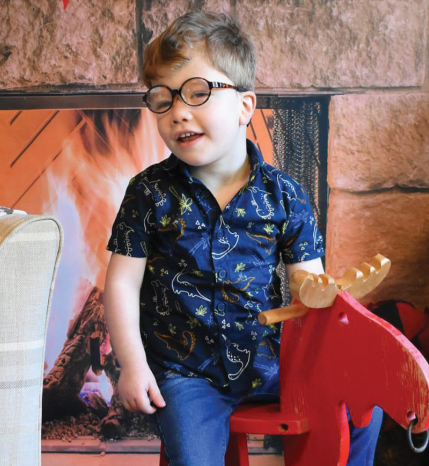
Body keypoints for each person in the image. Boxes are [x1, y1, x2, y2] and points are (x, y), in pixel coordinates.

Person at [103, 11, 383, 465]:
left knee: (361, 404)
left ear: (244, 107)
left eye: (197, 93)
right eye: (163, 98)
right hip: (185, 371)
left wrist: (325, 299)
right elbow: (120, 283)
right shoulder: (148, 192)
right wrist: (132, 365)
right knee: (192, 459)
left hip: (269, 363)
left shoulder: (285, 195)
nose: (178, 112)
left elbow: (307, 288)